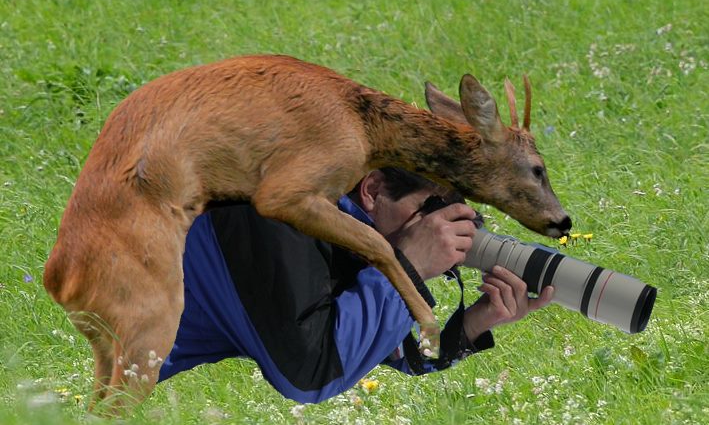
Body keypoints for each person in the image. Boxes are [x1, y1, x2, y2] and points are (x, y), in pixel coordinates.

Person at [157, 167, 554, 402]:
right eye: (431, 208)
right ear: (373, 188)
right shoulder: (276, 212)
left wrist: (471, 325)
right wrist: (408, 266)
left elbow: (379, 349)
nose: (441, 229)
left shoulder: (336, 223)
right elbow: (313, 371)